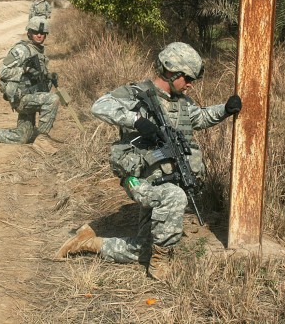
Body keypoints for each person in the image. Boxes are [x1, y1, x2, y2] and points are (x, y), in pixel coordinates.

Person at [55, 42, 242, 280]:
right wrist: (135, 120)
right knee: (175, 198)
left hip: (165, 178)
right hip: (138, 179)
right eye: (187, 78)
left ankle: (89, 244)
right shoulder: (136, 94)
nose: (190, 84)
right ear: (172, 72)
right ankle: (160, 262)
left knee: (142, 250)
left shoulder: (182, 102)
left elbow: (202, 117)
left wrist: (225, 109)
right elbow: (99, 106)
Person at [0, 16, 60, 148]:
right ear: (29, 33)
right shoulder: (21, 50)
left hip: (32, 95)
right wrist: (25, 70)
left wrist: (49, 76)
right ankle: (42, 139)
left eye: (42, 33)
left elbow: (37, 75)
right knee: (53, 99)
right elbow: (4, 72)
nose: (39, 35)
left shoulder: (39, 51)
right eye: (35, 32)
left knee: (21, 137)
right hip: (22, 98)